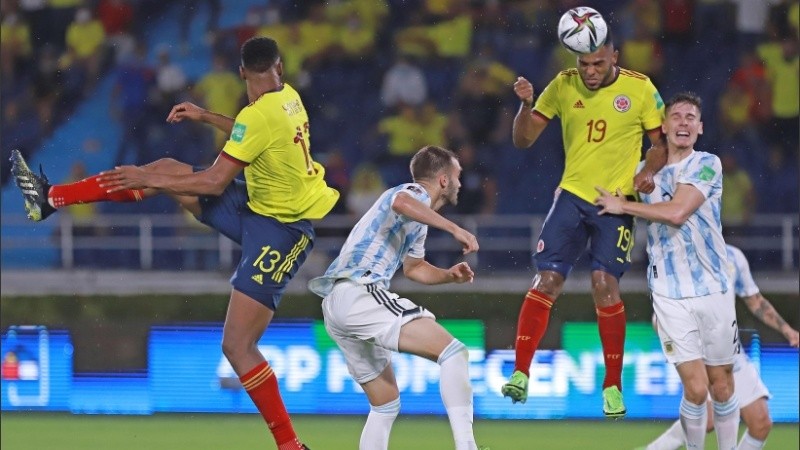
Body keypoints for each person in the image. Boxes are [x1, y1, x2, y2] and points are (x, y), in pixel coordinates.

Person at [10, 36, 339, 450]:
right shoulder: (287, 97)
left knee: (238, 346)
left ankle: (291, 445)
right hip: (257, 206)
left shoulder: (261, 117)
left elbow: (215, 180)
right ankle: (51, 198)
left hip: (285, 231)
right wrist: (205, 116)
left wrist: (147, 179)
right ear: (280, 68)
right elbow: (251, 131)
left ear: (241, 73)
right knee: (166, 166)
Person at [502, 28, 668, 418]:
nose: (591, 72)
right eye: (584, 64)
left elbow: (660, 146)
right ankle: (521, 373)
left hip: (617, 203)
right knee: (546, 281)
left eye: (598, 63)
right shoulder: (563, 85)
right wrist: (525, 106)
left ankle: (612, 384)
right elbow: (523, 141)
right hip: (573, 196)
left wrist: (649, 171)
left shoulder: (642, 89)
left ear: (615, 56)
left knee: (603, 284)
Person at [307, 145, 481, 450]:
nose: (460, 183)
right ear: (443, 179)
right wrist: (455, 228)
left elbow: (414, 268)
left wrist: (448, 275)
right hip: (360, 291)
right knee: (454, 353)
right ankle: (467, 446)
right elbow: (401, 202)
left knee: (385, 404)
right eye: (457, 176)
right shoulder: (412, 193)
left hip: (337, 302)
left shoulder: (420, 217)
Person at [595, 91, 740, 449]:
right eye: (677, 117)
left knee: (721, 384)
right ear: (664, 125)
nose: (684, 123)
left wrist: (624, 205)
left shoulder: (708, 164)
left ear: (700, 128)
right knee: (695, 387)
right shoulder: (642, 174)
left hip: (714, 286)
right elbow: (596, 186)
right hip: (668, 293)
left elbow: (677, 212)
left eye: (691, 117)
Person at [639, 244, 799, 450]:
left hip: (728, 347)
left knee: (760, 422)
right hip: (696, 348)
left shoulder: (733, 257)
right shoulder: (678, 252)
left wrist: (787, 330)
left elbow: (755, 301)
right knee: (708, 418)